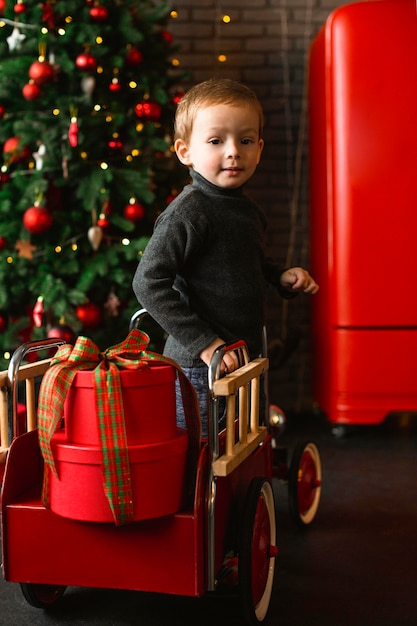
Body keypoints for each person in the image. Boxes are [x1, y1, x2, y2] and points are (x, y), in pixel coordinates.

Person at [132, 78, 318, 436]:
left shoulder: (246, 211)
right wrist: (205, 343)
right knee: (203, 453)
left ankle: (242, 493)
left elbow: (248, 264)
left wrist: (279, 276)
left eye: (245, 141)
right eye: (216, 141)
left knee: (243, 445)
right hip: (201, 365)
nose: (233, 151)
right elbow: (148, 282)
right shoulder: (188, 213)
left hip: (244, 355)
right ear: (185, 151)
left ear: (259, 148)